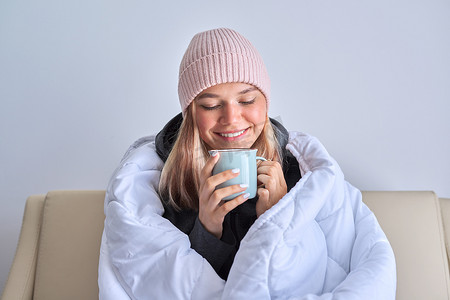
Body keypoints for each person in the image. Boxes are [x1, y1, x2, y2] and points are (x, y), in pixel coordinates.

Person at [98, 28, 396, 299]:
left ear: (265, 102)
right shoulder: (166, 183)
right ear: (190, 113)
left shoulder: (299, 171)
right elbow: (170, 279)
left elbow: (338, 265)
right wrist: (208, 230)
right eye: (211, 105)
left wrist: (282, 218)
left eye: (247, 100)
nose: (231, 119)